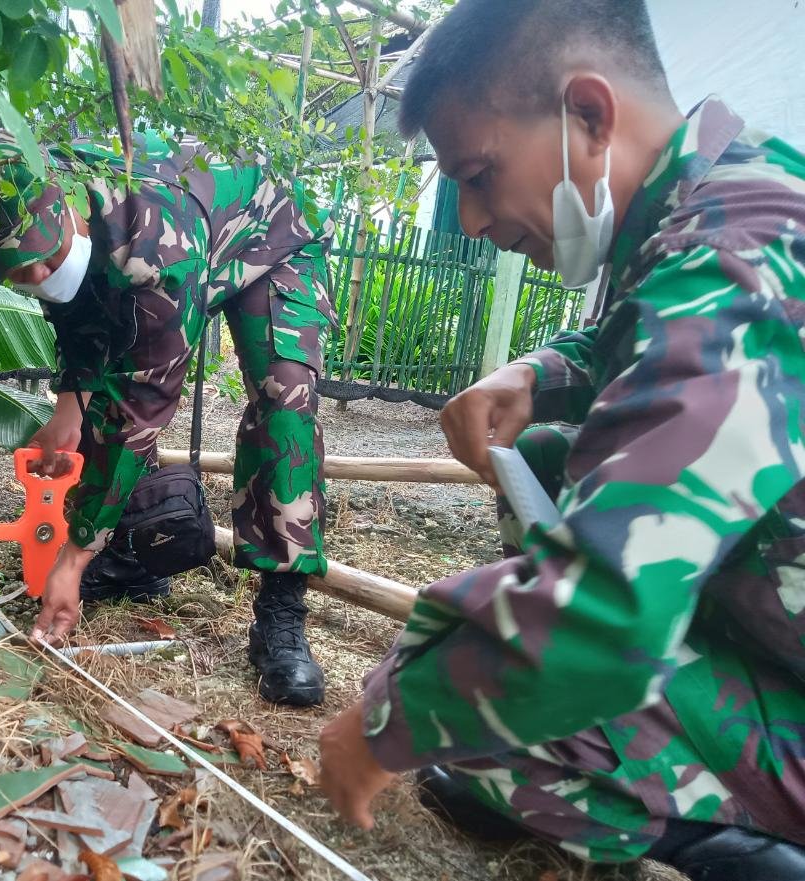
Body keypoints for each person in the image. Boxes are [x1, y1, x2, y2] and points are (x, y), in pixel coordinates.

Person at [315, 0, 805, 877]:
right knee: (545, 455)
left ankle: (751, 849)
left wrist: (384, 722)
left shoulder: (737, 255)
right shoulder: (719, 196)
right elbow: (644, 336)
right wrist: (537, 372)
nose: (467, 219)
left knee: (496, 706)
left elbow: (605, 613)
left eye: (476, 173)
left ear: (587, 114)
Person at [0, 132, 336, 706]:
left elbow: (140, 406)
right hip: (166, 238)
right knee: (93, 413)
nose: (35, 277)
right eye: (17, 271)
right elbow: (82, 320)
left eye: (42, 260)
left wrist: (72, 554)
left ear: (70, 214)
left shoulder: (156, 251)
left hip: (274, 239)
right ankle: (135, 558)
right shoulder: (32, 187)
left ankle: (281, 617)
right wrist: (70, 404)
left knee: (283, 399)